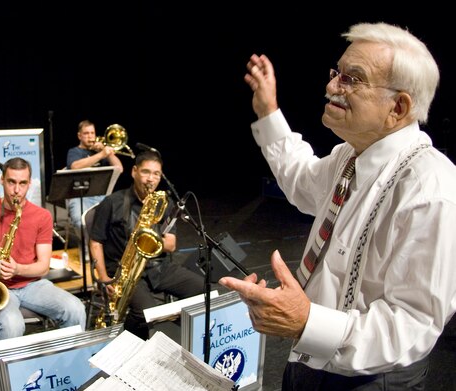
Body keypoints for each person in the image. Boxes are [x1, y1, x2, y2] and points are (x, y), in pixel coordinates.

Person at [218, 22, 456, 390]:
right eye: (336, 73)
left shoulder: (431, 189)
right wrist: (268, 112)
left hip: (371, 380)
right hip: (309, 359)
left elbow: (412, 325)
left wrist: (305, 322)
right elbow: (302, 180)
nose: (331, 87)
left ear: (399, 106)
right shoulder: (349, 156)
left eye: (352, 79)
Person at [0, 157, 86, 340]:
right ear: (2, 180)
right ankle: (3, 369)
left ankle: (64, 364)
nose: (17, 190)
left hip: (33, 284)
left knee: (76, 309)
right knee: (12, 325)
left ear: (29, 184)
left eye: (23, 183)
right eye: (11, 182)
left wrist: (18, 269)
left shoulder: (42, 216)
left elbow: (43, 266)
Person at [89, 150, 205, 339]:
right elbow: (95, 241)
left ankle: (173, 334)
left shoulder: (165, 204)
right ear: (134, 171)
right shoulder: (112, 202)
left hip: (158, 267)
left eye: (156, 174)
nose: (150, 179)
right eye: (145, 172)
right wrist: (103, 277)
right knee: (145, 311)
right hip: (124, 270)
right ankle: (129, 342)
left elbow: (171, 245)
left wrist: (147, 238)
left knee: (200, 288)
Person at [65, 120, 123, 230]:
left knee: (116, 222)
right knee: (81, 223)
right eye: (86, 133)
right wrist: (101, 155)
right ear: (79, 136)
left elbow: (119, 169)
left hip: (102, 195)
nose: (90, 136)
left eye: (92, 133)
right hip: (80, 197)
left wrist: (107, 153)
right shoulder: (74, 152)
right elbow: (74, 166)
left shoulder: (100, 152)